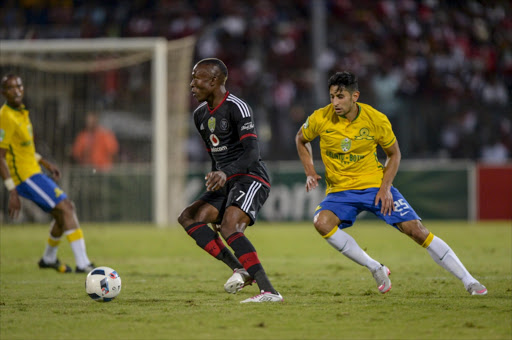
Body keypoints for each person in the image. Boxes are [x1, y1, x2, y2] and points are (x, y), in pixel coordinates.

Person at [295, 71, 487, 296]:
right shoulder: (320, 118)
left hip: (375, 186)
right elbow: (301, 138)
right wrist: (310, 171)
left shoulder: (376, 119)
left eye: (340, 96)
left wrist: (385, 188)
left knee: (416, 231)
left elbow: (394, 154)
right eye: (332, 97)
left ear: (354, 96)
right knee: (321, 222)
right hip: (340, 191)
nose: (335, 102)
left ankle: (469, 281)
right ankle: (375, 267)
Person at [178, 58, 283, 303]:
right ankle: (240, 269)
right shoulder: (199, 115)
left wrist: (226, 173)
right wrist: (218, 182)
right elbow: (215, 155)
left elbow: (252, 153)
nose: (192, 84)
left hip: (251, 176)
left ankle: (270, 291)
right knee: (189, 218)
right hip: (226, 181)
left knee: (230, 227)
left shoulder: (237, 107)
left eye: (197, 78)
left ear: (214, 81)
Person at [0, 74, 94, 274]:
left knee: (62, 214)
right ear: (3, 92)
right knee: (67, 207)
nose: (16, 90)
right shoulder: (5, 117)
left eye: (19, 85)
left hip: (35, 171)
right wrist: (12, 191)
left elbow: (23, 148)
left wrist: (45, 162)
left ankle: (48, 258)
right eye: (10, 87)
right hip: (25, 178)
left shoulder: (21, 112)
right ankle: (83, 264)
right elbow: (1, 155)